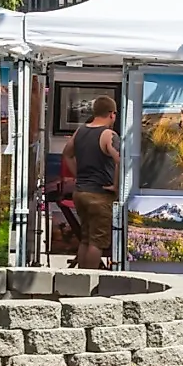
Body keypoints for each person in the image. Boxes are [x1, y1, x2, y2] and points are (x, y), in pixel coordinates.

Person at [70, 95, 119, 268]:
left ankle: (79, 282)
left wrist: (78, 175)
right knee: (97, 242)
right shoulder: (109, 135)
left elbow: (67, 155)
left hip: (80, 192)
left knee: (85, 238)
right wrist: (116, 185)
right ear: (112, 114)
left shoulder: (80, 131)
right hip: (100, 195)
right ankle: (90, 282)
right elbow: (120, 160)